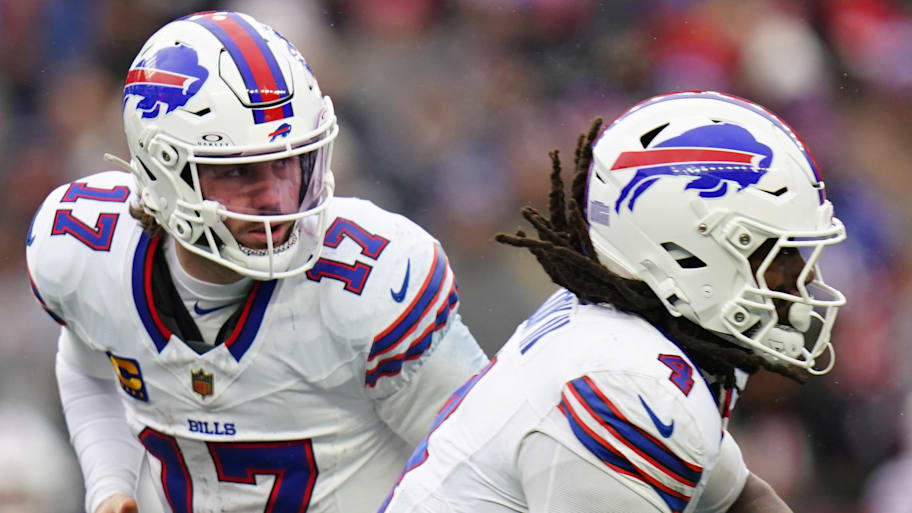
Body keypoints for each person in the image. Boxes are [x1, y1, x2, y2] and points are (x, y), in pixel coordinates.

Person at [25, 11, 488, 513]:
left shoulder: (370, 280)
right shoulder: (86, 250)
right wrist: (110, 487)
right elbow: (89, 367)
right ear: (163, 172)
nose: (274, 198)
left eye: (286, 162)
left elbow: (483, 463)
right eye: (239, 172)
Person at [380, 91, 847, 513]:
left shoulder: (628, 342)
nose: (800, 280)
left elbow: (742, 499)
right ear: (688, 250)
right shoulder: (629, 386)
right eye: (778, 254)